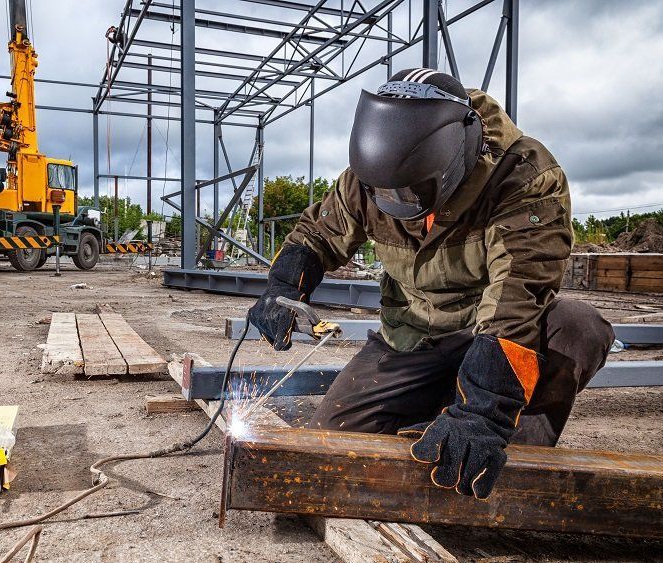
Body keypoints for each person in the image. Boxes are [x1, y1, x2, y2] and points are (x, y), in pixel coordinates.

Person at [248, 68, 614, 499]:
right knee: (334, 439)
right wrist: (283, 285)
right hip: (412, 335)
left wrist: (484, 411)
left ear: (451, 161)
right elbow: (317, 234)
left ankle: (512, 445)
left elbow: (517, 299)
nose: (400, 209)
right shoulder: (371, 177)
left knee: (577, 326)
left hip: (490, 329)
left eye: (411, 196)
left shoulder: (524, 178)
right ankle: (442, 402)